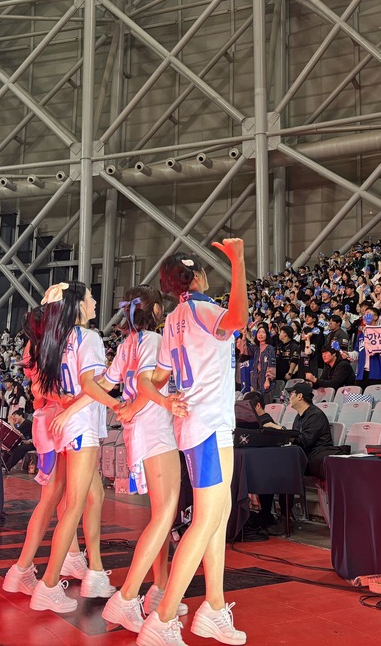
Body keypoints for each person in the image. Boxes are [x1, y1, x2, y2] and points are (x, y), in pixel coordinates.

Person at [136, 240, 249, 646]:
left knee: (216, 518)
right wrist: (238, 262)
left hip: (195, 426)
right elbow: (239, 317)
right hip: (209, 426)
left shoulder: (172, 320)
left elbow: (150, 379)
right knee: (204, 522)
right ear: (197, 276)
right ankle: (163, 619)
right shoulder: (203, 309)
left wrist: (163, 401)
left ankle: (214, 607)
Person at [100, 286, 189, 633]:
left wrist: (112, 407)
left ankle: (160, 589)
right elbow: (145, 384)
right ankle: (126, 596)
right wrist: (138, 406)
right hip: (156, 429)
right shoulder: (152, 340)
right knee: (165, 513)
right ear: (155, 311)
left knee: (161, 516)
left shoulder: (127, 343)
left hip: (140, 431)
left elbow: (106, 384)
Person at [29, 282, 122, 613]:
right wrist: (118, 405)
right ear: (79, 304)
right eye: (90, 297)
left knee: (94, 496)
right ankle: (49, 583)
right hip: (81, 427)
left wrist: (66, 405)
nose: (94, 301)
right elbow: (90, 386)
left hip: (69, 428)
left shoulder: (58, 338)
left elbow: (43, 388)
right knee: (74, 505)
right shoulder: (89, 337)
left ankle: (95, 570)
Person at [3, 305, 97, 604]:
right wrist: (65, 399)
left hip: (51, 422)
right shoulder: (42, 347)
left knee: (63, 497)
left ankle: (67, 557)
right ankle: (23, 568)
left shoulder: (42, 345)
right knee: (53, 498)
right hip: (50, 423)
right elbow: (39, 390)